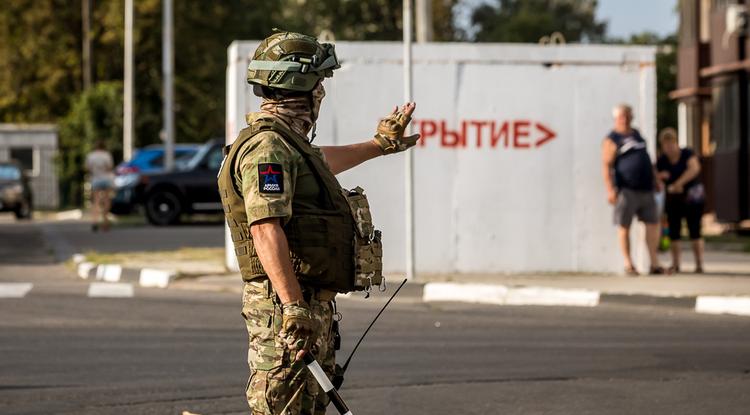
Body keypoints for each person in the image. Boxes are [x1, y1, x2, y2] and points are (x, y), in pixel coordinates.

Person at [217, 31, 419, 415]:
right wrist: (293, 306)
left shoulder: (288, 145)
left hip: (306, 305)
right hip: (286, 307)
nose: (322, 92)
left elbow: (319, 162)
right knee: (284, 408)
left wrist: (380, 144)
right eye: (320, 82)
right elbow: (264, 228)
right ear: (302, 86)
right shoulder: (267, 148)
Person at [601, 104, 665, 275]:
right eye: (622, 116)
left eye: (628, 115)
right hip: (626, 189)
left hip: (646, 188)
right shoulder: (612, 139)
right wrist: (610, 189)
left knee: (652, 224)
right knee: (624, 225)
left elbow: (647, 159)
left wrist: (656, 179)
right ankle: (629, 263)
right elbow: (606, 166)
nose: (626, 119)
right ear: (616, 118)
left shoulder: (636, 134)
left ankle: (654, 262)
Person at [656, 128, 704, 273]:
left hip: (692, 197)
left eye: (671, 144)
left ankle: (699, 264)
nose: (668, 148)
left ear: (676, 142)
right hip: (673, 199)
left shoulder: (687, 153)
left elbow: (694, 169)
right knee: (674, 231)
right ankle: (676, 264)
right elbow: (656, 176)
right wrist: (660, 177)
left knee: (695, 230)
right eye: (665, 145)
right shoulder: (662, 160)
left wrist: (678, 184)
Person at [85, 140, 114, 232]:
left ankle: (94, 221)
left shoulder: (91, 156)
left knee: (96, 201)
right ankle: (105, 221)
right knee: (106, 201)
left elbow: (88, 168)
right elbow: (109, 167)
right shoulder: (106, 155)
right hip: (106, 179)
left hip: (96, 179)